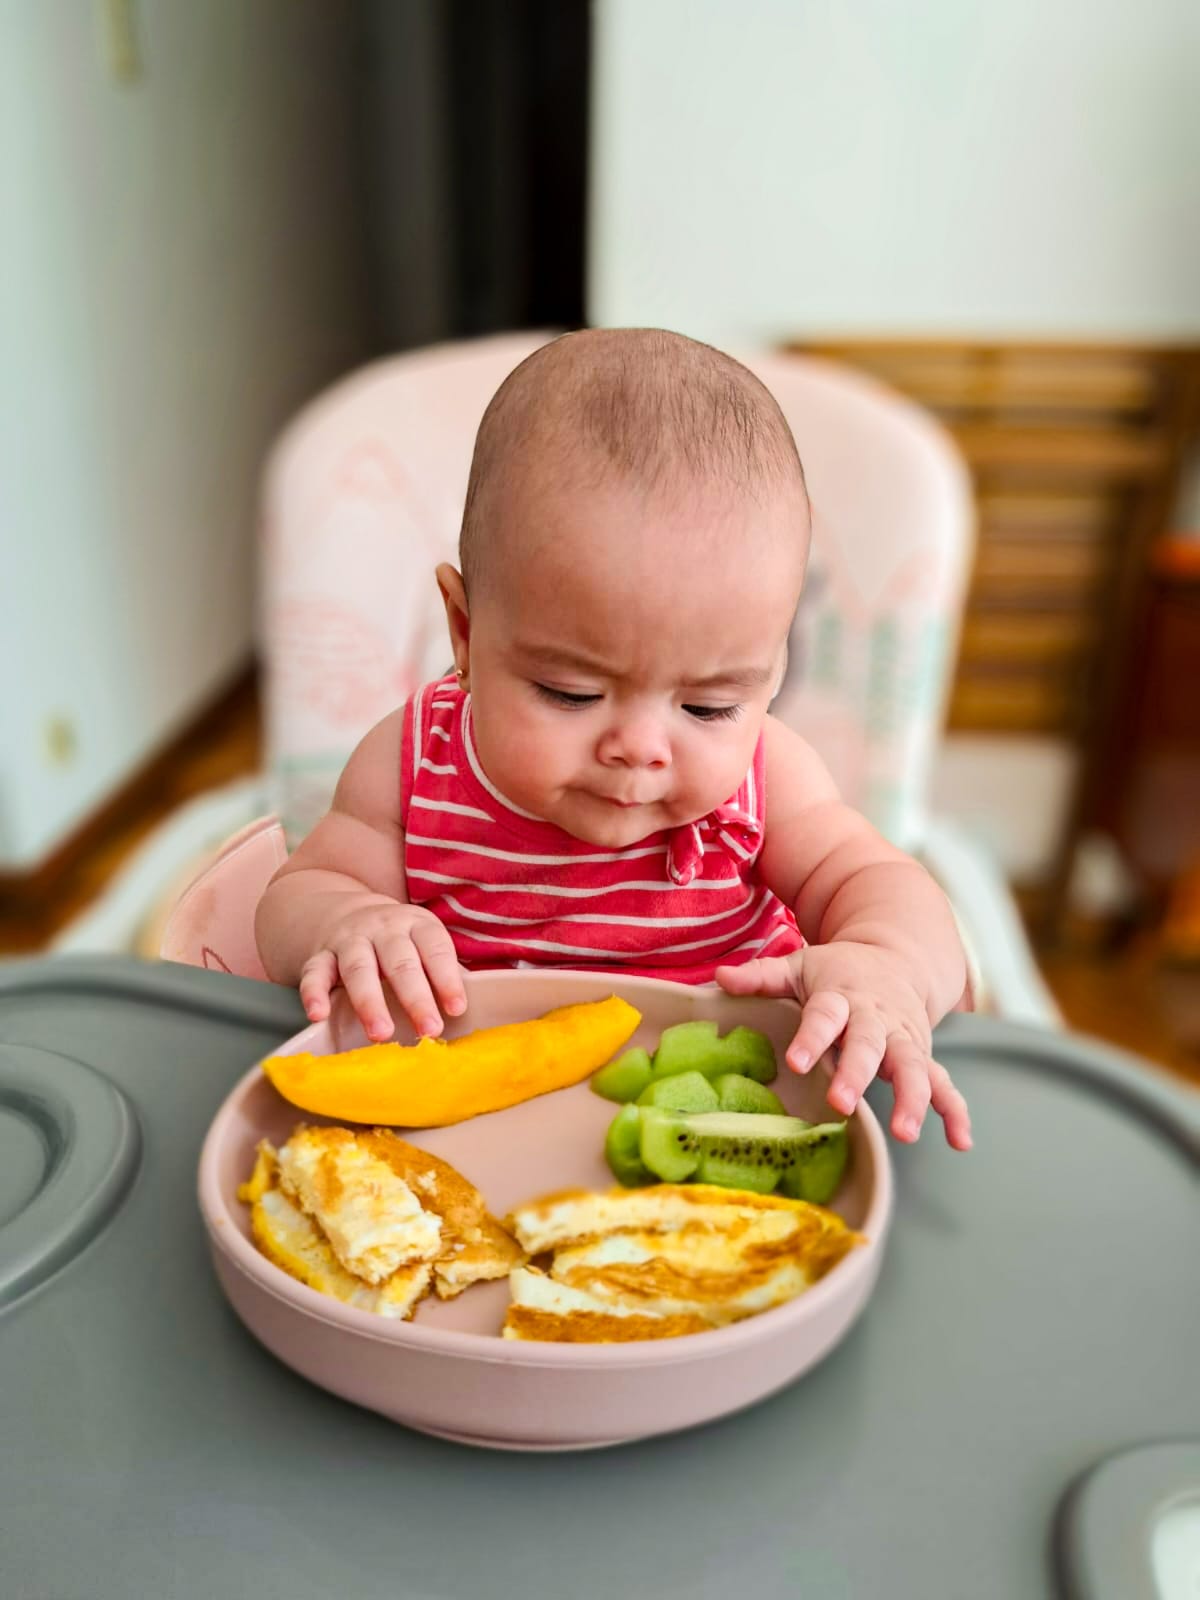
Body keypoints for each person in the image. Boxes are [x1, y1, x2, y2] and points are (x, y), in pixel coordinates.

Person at [256, 329, 972, 1150]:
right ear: (464, 631)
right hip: (474, 1131)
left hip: (716, 1120)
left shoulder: (769, 779)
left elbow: (889, 886)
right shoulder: (415, 763)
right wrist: (346, 922)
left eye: (707, 708)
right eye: (571, 692)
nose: (639, 748)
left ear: (770, 673)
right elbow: (290, 902)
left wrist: (887, 963)